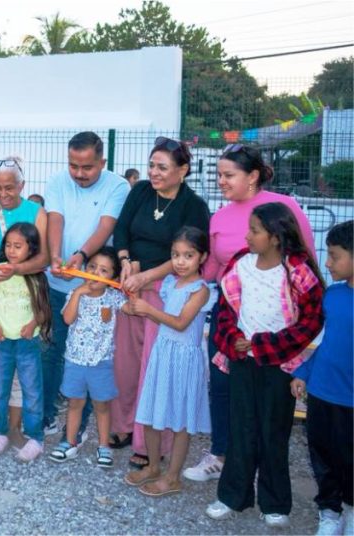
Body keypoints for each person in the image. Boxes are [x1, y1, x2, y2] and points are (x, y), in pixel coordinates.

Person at [184, 144, 316, 483]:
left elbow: (307, 260)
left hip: (275, 322)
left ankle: (262, 464)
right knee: (222, 385)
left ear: (253, 176)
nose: (221, 181)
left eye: (228, 175)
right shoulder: (219, 216)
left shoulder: (283, 207)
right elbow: (212, 269)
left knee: (268, 395)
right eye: (219, 174)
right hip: (231, 316)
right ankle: (220, 454)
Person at [206, 203, 325, 527]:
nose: (247, 236)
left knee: (274, 432)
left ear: (275, 237)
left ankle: (275, 502)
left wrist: (262, 344)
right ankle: (233, 496)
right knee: (240, 428)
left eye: (254, 230)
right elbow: (225, 310)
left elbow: (311, 321)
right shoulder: (240, 264)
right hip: (241, 362)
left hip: (280, 366)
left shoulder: (298, 270)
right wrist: (233, 339)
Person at [112, 136, 209, 469]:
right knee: (125, 363)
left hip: (166, 289)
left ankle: (149, 444)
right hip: (130, 284)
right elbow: (122, 230)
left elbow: (188, 255)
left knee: (153, 368)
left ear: (182, 170)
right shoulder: (140, 191)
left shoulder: (193, 206)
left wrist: (148, 276)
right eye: (151, 165)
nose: (153, 172)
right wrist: (125, 261)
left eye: (162, 167)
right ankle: (124, 425)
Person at [45, 132, 130, 442]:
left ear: (102, 162)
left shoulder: (118, 186)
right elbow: (55, 220)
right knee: (53, 349)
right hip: (58, 283)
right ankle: (47, 415)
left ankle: (80, 425)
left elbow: (106, 227)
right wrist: (56, 255)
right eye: (73, 166)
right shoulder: (57, 181)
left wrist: (81, 257)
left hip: (95, 289)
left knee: (93, 355)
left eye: (87, 167)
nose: (79, 173)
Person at [124, 227, 213, 496]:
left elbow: (181, 323)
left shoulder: (201, 290)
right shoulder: (170, 283)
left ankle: (173, 477)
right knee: (151, 412)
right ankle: (153, 467)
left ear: (202, 257)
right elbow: (143, 299)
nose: (180, 261)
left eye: (188, 255)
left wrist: (149, 310)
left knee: (180, 421)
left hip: (184, 360)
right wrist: (132, 303)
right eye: (175, 255)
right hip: (162, 354)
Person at [0, 156, 48, 436]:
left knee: (20, 368)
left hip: (23, 304)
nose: (2, 194)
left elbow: (44, 258)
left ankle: (14, 424)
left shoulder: (37, 213)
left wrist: (14, 269)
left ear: (21, 185)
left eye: (9, 188)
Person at [291, 220, 352, 535]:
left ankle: (350, 512)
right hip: (321, 393)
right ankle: (329, 512)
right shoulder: (333, 296)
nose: (327, 263)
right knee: (322, 455)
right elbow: (328, 344)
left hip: (350, 399)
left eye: (335, 256)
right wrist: (303, 372)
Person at [0, 222, 51, 461]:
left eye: (18, 246)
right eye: (8, 245)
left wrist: (33, 324)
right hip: (1, 341)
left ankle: (35, 438)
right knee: (0, 390)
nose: (11, 250)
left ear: (31, 249)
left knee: (32, 391)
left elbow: (44, 308)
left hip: (27, 343)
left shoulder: (36, 274)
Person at [49, 246, 125, 468]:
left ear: (112, 278)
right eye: (92, 267)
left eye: (103, 270)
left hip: (101, 362)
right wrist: (78, 294)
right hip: (75, 361)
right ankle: (69, 442)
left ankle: (104, 445)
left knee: (102, 406)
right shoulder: (75, 293)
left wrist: (131, 288)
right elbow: (67, 319)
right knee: (75, 403)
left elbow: (131, 308)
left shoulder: (113, 297)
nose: (95, 273)